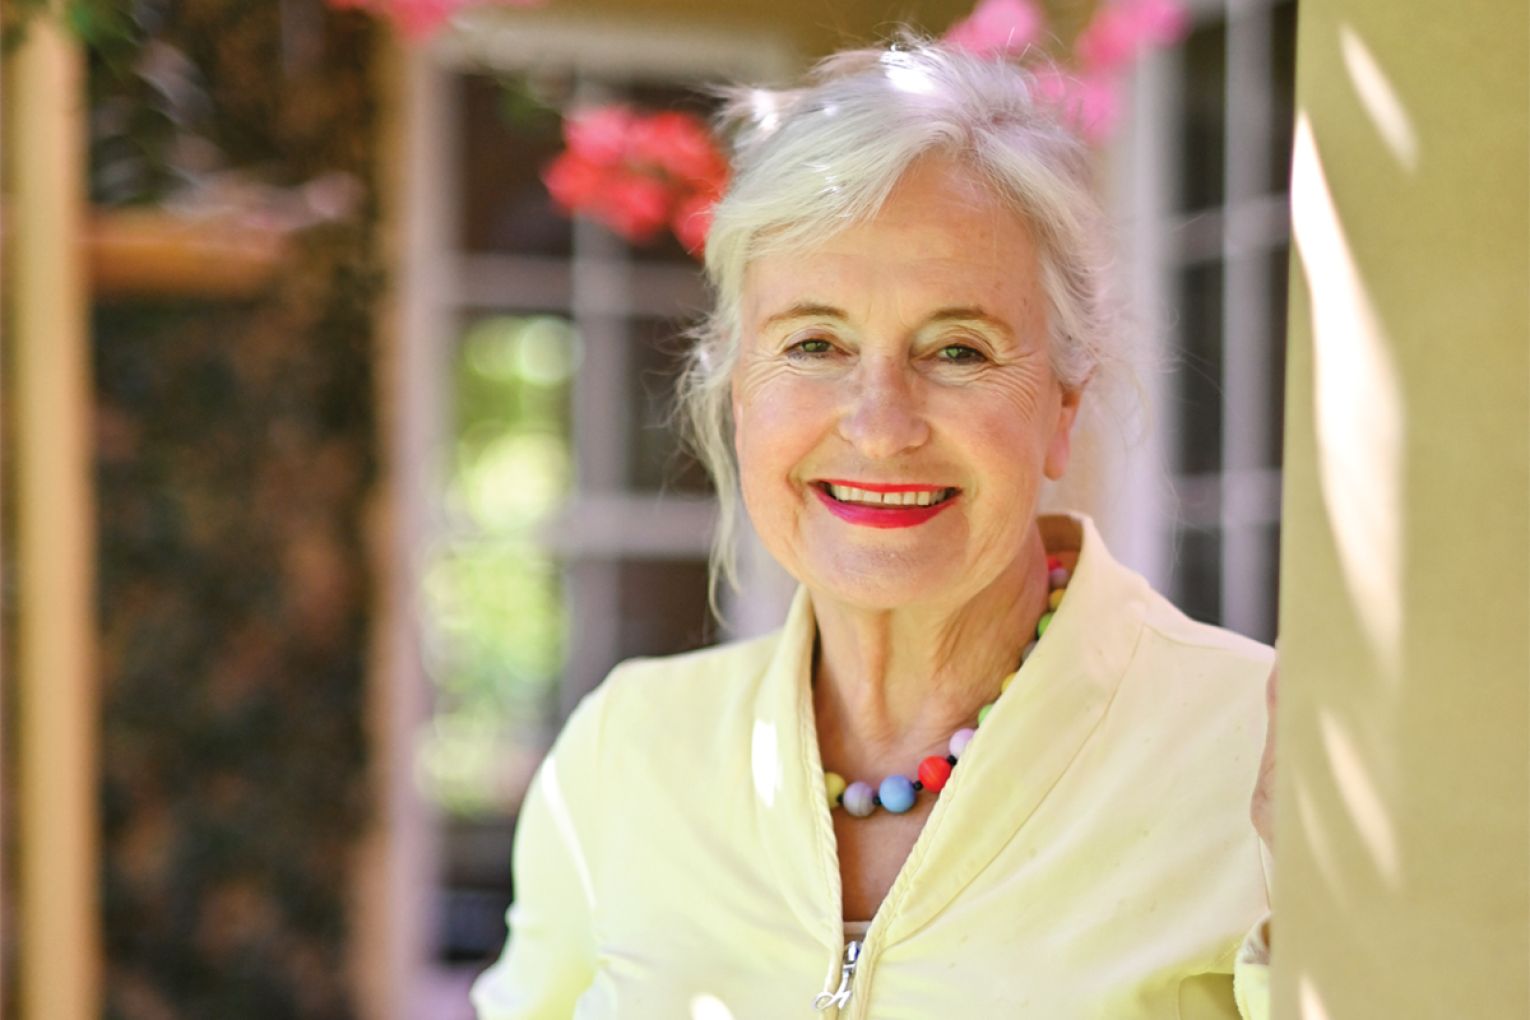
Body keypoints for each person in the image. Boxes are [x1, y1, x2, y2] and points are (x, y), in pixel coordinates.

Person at [473, 39, 1276, 1019]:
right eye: (815, 343)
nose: (882, 424)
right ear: (738, 394)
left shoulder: (1263, 754)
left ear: (1063, 406)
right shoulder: (626, 749)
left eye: (958, 350)